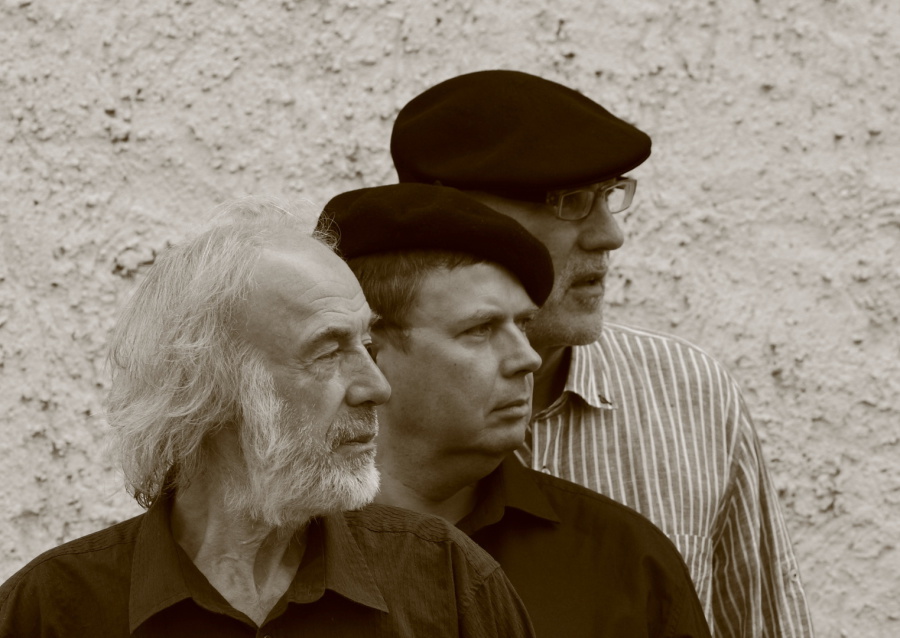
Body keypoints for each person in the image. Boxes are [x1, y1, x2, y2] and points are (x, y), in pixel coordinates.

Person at [388, 70, 814, 637]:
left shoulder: (690, 396)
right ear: (451, 216)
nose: (610, 235)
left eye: (611, 195)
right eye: (571, 202)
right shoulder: (344, 402)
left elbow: (764, 624)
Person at [0, 199, 535, 637]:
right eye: (329, 351)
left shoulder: (448, 582)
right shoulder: (52, 610)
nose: (377, 387)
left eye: (367, 345)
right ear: (210, 387)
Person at [318, 183, 712, 638]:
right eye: (481, 329)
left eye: (523, 324)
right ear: (370, 354)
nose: (527, 358)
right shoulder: (279, 554)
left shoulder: (625, 562)